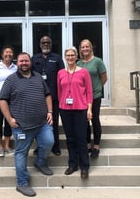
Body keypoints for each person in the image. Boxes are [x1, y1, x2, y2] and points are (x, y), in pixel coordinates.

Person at [0, 52, 54, 197]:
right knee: (21, 153)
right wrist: (10, 119)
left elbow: (47, 94)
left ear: (30, 62)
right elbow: (2, 100)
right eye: (21, 61)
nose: (24, 63)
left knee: (49, 142)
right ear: (17, 63)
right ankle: (22, 183)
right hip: (22, 126)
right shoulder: (11, 80)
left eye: (26, 61)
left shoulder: (38, 77)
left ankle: (40, 162)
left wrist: (50, 112)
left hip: (42, 123)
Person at [57, 46, 93, 179]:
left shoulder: (84, 72)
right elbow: (60, 91)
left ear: (76, 56)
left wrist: (89, 109)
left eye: (73, 55)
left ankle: (85, 166)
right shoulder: (60, 73)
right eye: (68, 55)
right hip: (65, 110)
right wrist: (61, 105)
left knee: (81, 139)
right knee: (70, 139)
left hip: (80, 109)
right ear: (65, 57)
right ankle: (73, 164)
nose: (70, 57)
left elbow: (89, 92)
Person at [31, 35, 64, 156]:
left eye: (48, 43)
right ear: (40, 45)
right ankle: (40, 146)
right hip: (38, 98)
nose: (46, 44)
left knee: (53, 122)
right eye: (43, 42)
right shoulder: (34, 59)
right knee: (38, 122)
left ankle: (55, 146)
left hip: (54, 97)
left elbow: (62, 77)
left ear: (51, 44)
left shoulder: (57, 58)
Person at [77, 39, 107, 158]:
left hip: (94, 96)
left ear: (91, 48)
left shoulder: (98, 61)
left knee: (94, 120)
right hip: (82, 97)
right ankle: (88, 144)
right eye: (83, 47)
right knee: (84, 121)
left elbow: (104, 78)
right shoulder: (78, 63)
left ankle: (96, 146)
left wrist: (97, 88)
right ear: (80, 49)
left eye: (87, 47)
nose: (85, 49)